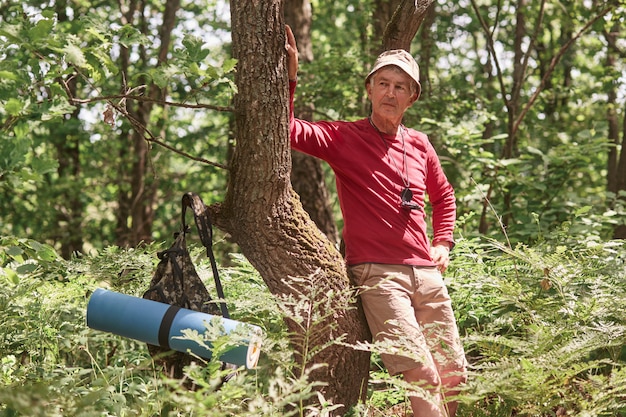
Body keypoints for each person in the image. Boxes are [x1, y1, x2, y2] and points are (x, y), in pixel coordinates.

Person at [285, 26, 467, 416]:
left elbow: (445, 195)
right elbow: (286, 130)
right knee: (421, 373)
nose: (390, 93)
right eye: (382, 83)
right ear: (369, 89)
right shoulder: (344, 138)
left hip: (428, 273)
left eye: (400, 87)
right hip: (379, 275)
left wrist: (443, 242)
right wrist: (289, 80)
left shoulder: (419, 143)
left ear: (412, 97)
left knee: (453, 375)